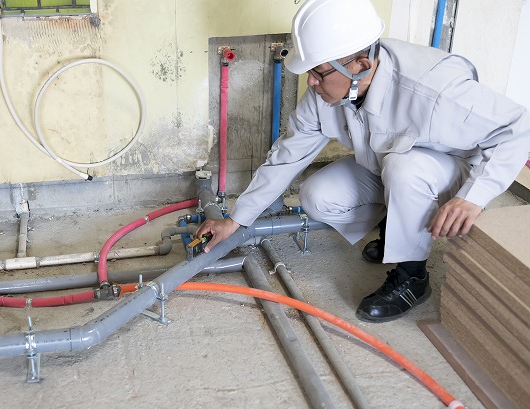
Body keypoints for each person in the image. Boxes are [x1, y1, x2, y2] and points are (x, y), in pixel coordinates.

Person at [195, 0, 530, 323]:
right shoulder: (326, 93)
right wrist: (236, 220)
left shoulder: (433, 90)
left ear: (360, 65)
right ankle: (395, 229)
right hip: (388, 168)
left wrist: (473, 197)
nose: (311, 82)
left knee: (405, 169)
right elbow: (287, 155)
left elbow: (518, 126)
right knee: (316, 195)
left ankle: (412, 277)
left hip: (449, 172)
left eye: (318, 72)